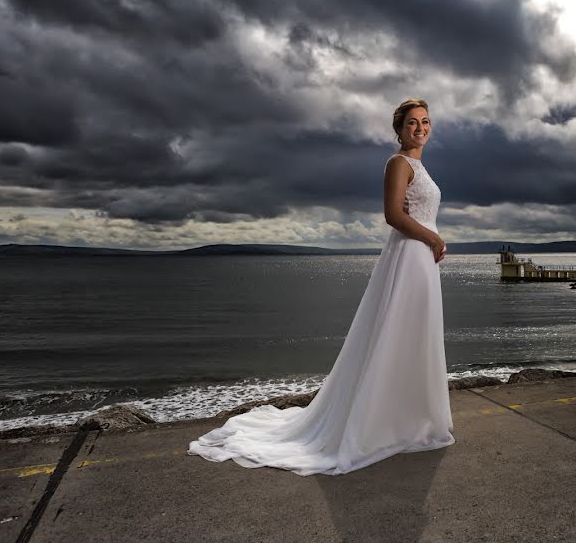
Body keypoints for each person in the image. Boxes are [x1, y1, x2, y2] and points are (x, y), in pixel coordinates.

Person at [188, 98, 455, 475]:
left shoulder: (421, 167)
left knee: (415, 335)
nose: (420, 128)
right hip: (410, 257)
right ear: (398, 129)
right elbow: (392, 214)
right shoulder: (398, 163)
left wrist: (431, 242)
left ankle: (412, 418)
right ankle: (383, 422)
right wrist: (432, 239)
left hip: (421, 258)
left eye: (425, 122)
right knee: (395, 335)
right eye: (412, 123)